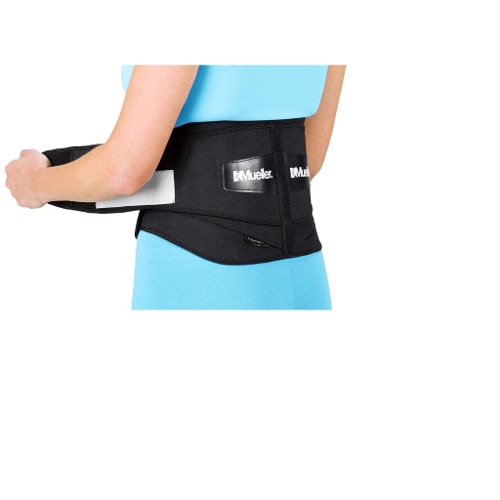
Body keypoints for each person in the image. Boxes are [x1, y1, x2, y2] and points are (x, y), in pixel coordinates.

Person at [4, 65, 346, 310]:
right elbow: (307, 160)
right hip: (304, 273)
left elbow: (123, 172)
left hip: (198, 273)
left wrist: (35, 183)